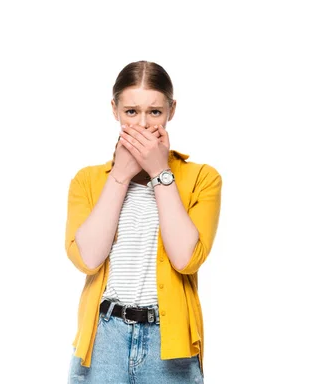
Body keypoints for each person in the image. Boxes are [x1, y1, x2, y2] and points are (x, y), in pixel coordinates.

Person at [64, 60, 222, 383]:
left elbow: (185, 258)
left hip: (169, 346)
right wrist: (120, 176)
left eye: (155, 112)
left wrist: (159, 172)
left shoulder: (203, 178)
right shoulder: (88, 180)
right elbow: (89, 258)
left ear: (171, 110)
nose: (143, 124)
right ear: (115, 110)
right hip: (104, 340)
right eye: (131, 112)